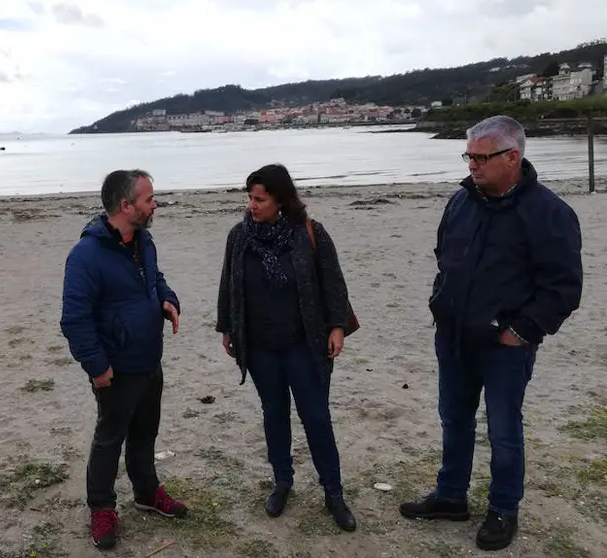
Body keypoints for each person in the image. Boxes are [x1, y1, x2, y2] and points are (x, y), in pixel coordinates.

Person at [400, 115, 583, 551]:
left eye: (482, 158)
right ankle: (450, 496)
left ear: (513, 157)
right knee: (455, 420)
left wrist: (519, 332)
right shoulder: (461, 202)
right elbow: (445, 255)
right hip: (455, 336)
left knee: (503, 430)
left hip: (505, 345)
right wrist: (441, 303)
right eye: (469, 156)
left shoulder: (549, 212)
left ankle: (503, 508)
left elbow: (563, 287)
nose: (472, 167)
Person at [216, 163, 357, 532]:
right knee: (274, 414)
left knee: (316, 418)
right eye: (249, 198)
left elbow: (333, 283)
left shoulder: (309, 233)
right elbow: (228, 284)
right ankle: (283, 481)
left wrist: (337, 327)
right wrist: (227, 327)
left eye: (259, 199)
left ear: (280, 200)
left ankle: (334, 492)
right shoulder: (239, 236)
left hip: (303, 344)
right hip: (261, 347)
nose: (252, 205)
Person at [60, 169, 187, 550]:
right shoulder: (86, 255)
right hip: (115, 368)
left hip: (150, 359)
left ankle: (147, 492)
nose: (155, 204)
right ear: (125, 205)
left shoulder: (144, 242)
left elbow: (155, 279)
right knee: (109, 439)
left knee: (146, 433)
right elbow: (74, 318)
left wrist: (168, 299)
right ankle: (101, 507)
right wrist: (97, 366)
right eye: (149, 199)